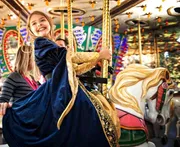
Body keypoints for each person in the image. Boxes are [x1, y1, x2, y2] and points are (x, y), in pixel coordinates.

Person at [2, 11, 120, 147]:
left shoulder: (49, 43)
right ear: (30, 30)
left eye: (42, 20)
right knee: (87, 115)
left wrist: (95, 61)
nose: (39, 24)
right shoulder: (40, 43)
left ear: (49, 23)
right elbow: (71, 58)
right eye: (34, 23)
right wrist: (98, 55)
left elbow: (75, 68)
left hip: (64, 85)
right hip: (58, 88)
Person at [0, 45, 39, 115]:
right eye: (33, 58)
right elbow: (3, 100)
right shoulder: (14, 76)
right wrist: (11, 105)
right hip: (20, 118)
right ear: (27, 59)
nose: (35, 61)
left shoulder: (32, 78)